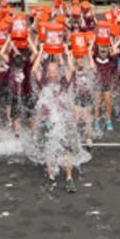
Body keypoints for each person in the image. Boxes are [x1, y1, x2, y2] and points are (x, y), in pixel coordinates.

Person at [30, 54, 88, 193]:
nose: (53, 73)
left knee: (66, 151)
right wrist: (41, 50)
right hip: (48, 122)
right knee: (50, 150)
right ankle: (51, 177)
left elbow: (72, 69)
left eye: (55, 70)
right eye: (50, 71)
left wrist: (67, 53)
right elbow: (34, 69)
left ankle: (69, 178)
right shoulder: (43, 82)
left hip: (62, 121)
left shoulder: (63, 83)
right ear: (47, 72)